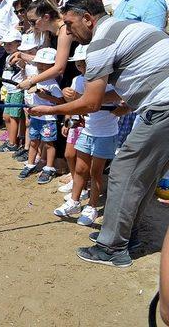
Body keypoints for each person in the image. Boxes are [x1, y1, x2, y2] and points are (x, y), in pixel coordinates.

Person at [29, 0, 169, 267]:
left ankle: (113, 247)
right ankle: (128, 236)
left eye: (69, 24)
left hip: (163, 108)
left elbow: (91, 103)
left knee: (123, 171)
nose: (67, 31)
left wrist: (52, 110)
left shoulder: (101, 42)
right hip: (161, 104)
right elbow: (118, 90)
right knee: (144, 176)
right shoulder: (122, 29)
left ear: (88, 19)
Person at [53, 44, 122, 226]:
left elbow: (127, 99)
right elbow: (77, 104)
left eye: (85, 63)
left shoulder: (109, 82)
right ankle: (74, 202)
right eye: (78, 63)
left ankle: (92, 206)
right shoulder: (77, 80)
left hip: (106, 133)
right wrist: (68, 96)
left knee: (96, 171)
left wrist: (118, 111)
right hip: (87, 130)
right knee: (81, 169)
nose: (81, 66)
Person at [113, 0, 168, 149]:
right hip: (122, 73)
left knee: (134, 140)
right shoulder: (125, 0)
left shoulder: (153, 1)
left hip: (139, 76)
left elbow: (153, 42)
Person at [18, 48, 64, 183]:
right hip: (35, 118)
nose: (41, 67)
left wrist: (46, 95)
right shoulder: (33, 80)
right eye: (39, 63)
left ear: (52, 66)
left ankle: (49, 168)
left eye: (46, 64)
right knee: (33, 142)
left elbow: (61, 102)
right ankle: (30, 164)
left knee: (49, 143)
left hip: (48, 119)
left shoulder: (53, 84)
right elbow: (29, 96)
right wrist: (27, 107)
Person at [0, 29, 25, 153]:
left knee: (14, 118)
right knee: (6, 116)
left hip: (16, 91)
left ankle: (13, 143)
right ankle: (10, 139)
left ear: (19, 43)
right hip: (8, 90)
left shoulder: (18, 57)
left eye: (10, 44)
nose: (6, 46)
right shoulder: (9, 56)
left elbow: (23, 66)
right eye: (5, 44)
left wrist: (19, 60)